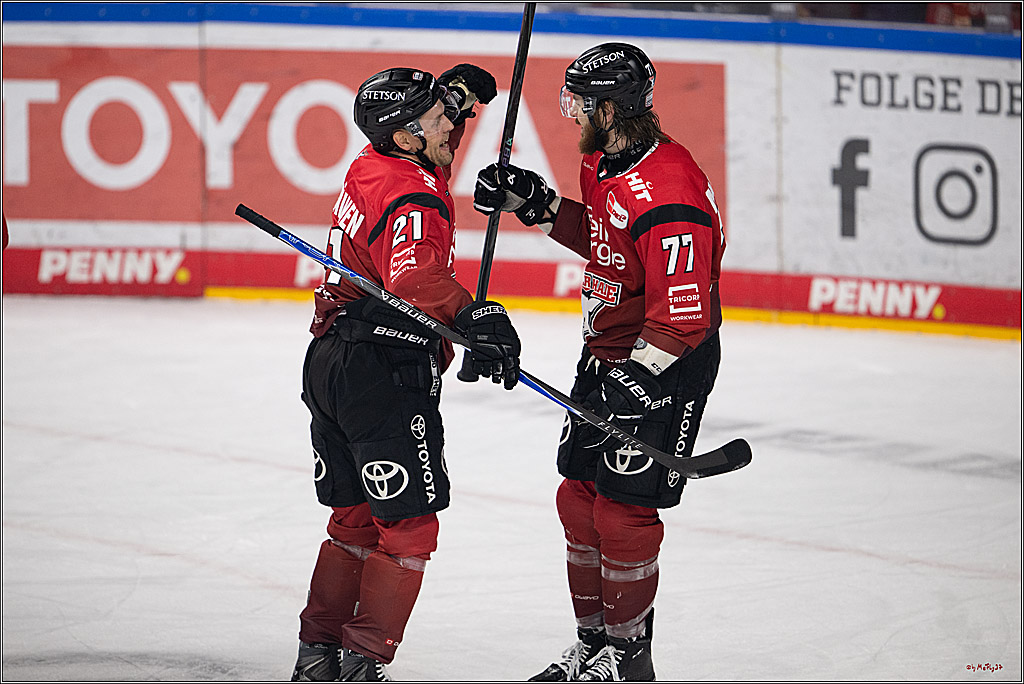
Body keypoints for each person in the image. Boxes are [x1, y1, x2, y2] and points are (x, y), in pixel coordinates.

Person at [474, 42, 726, 681]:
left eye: (580, 104)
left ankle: (628, 658)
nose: (571, 114)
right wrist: (538, 207)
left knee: (624, 508)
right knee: (578, 495)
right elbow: (608, 241)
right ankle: (593, 646)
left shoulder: (670, 190)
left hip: (667, 357)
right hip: (610, 350)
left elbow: (685, 311)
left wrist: (637, 374)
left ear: (609, 110)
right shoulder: (607, 162)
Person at [291, 64, 522, 682]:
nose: (454, 123)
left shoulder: (374, 162)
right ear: (407, 134)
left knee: (355, 518)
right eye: (442, 117)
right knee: (410, 526)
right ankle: (364, 666)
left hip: (332, 358)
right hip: (383, 371)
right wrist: (476, 315)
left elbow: (425, 155)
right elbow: (415, 277)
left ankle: (317, 657)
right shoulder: (414, 195)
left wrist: (457, 95)